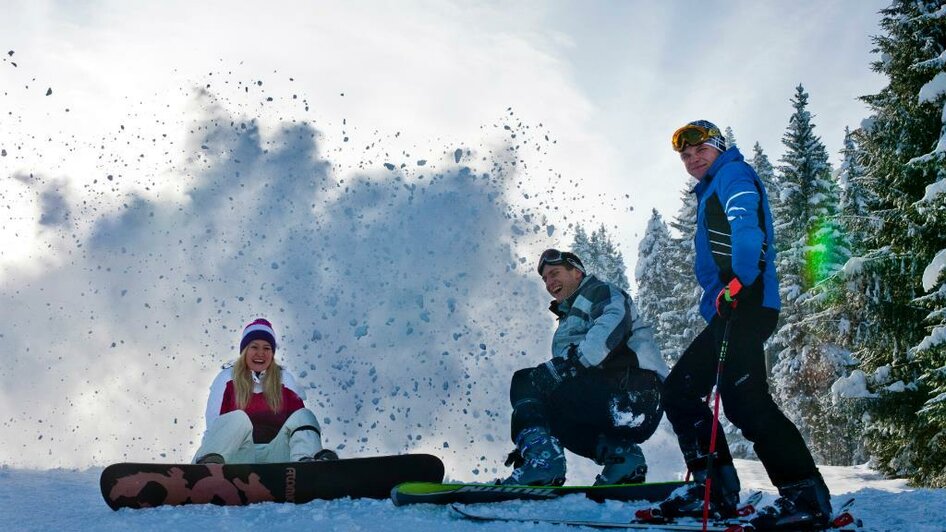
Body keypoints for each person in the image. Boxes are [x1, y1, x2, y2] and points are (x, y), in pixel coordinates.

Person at [657, 120, 832, 529]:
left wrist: (740, 279)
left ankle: (804, 496)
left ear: (719, 147)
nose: (692, 158)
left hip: (745, 299)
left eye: (700, 149)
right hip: (734, 305)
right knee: (700, 395)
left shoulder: (732, 174)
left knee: (734, 400)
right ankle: (715, 491)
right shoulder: (713, 185)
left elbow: (745, 221)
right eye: (685, 155)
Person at [500, 249, 667, 487]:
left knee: (527, 381)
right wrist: (536, 434)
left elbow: (612, 324)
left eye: (555, 273)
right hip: (622, 402)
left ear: (577, 273)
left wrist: (571, 364)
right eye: (545, 278)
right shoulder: (570, 316)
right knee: (550, 412)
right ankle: (622, 457)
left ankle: (543, 463)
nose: (549, 282)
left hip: (634, 392)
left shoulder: (599, 292)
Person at [193, 318, 338, 464]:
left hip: (276, 458)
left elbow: (300, 425)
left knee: (304, 415)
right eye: (254, 347)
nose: (260, 353)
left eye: (266, 348)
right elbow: (215, 425)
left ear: (272, 353)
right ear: (245, 351)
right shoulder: (227, 378)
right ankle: (208, 467)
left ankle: (307, 467)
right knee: (238, 418)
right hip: (237, 458)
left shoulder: (284, 380)